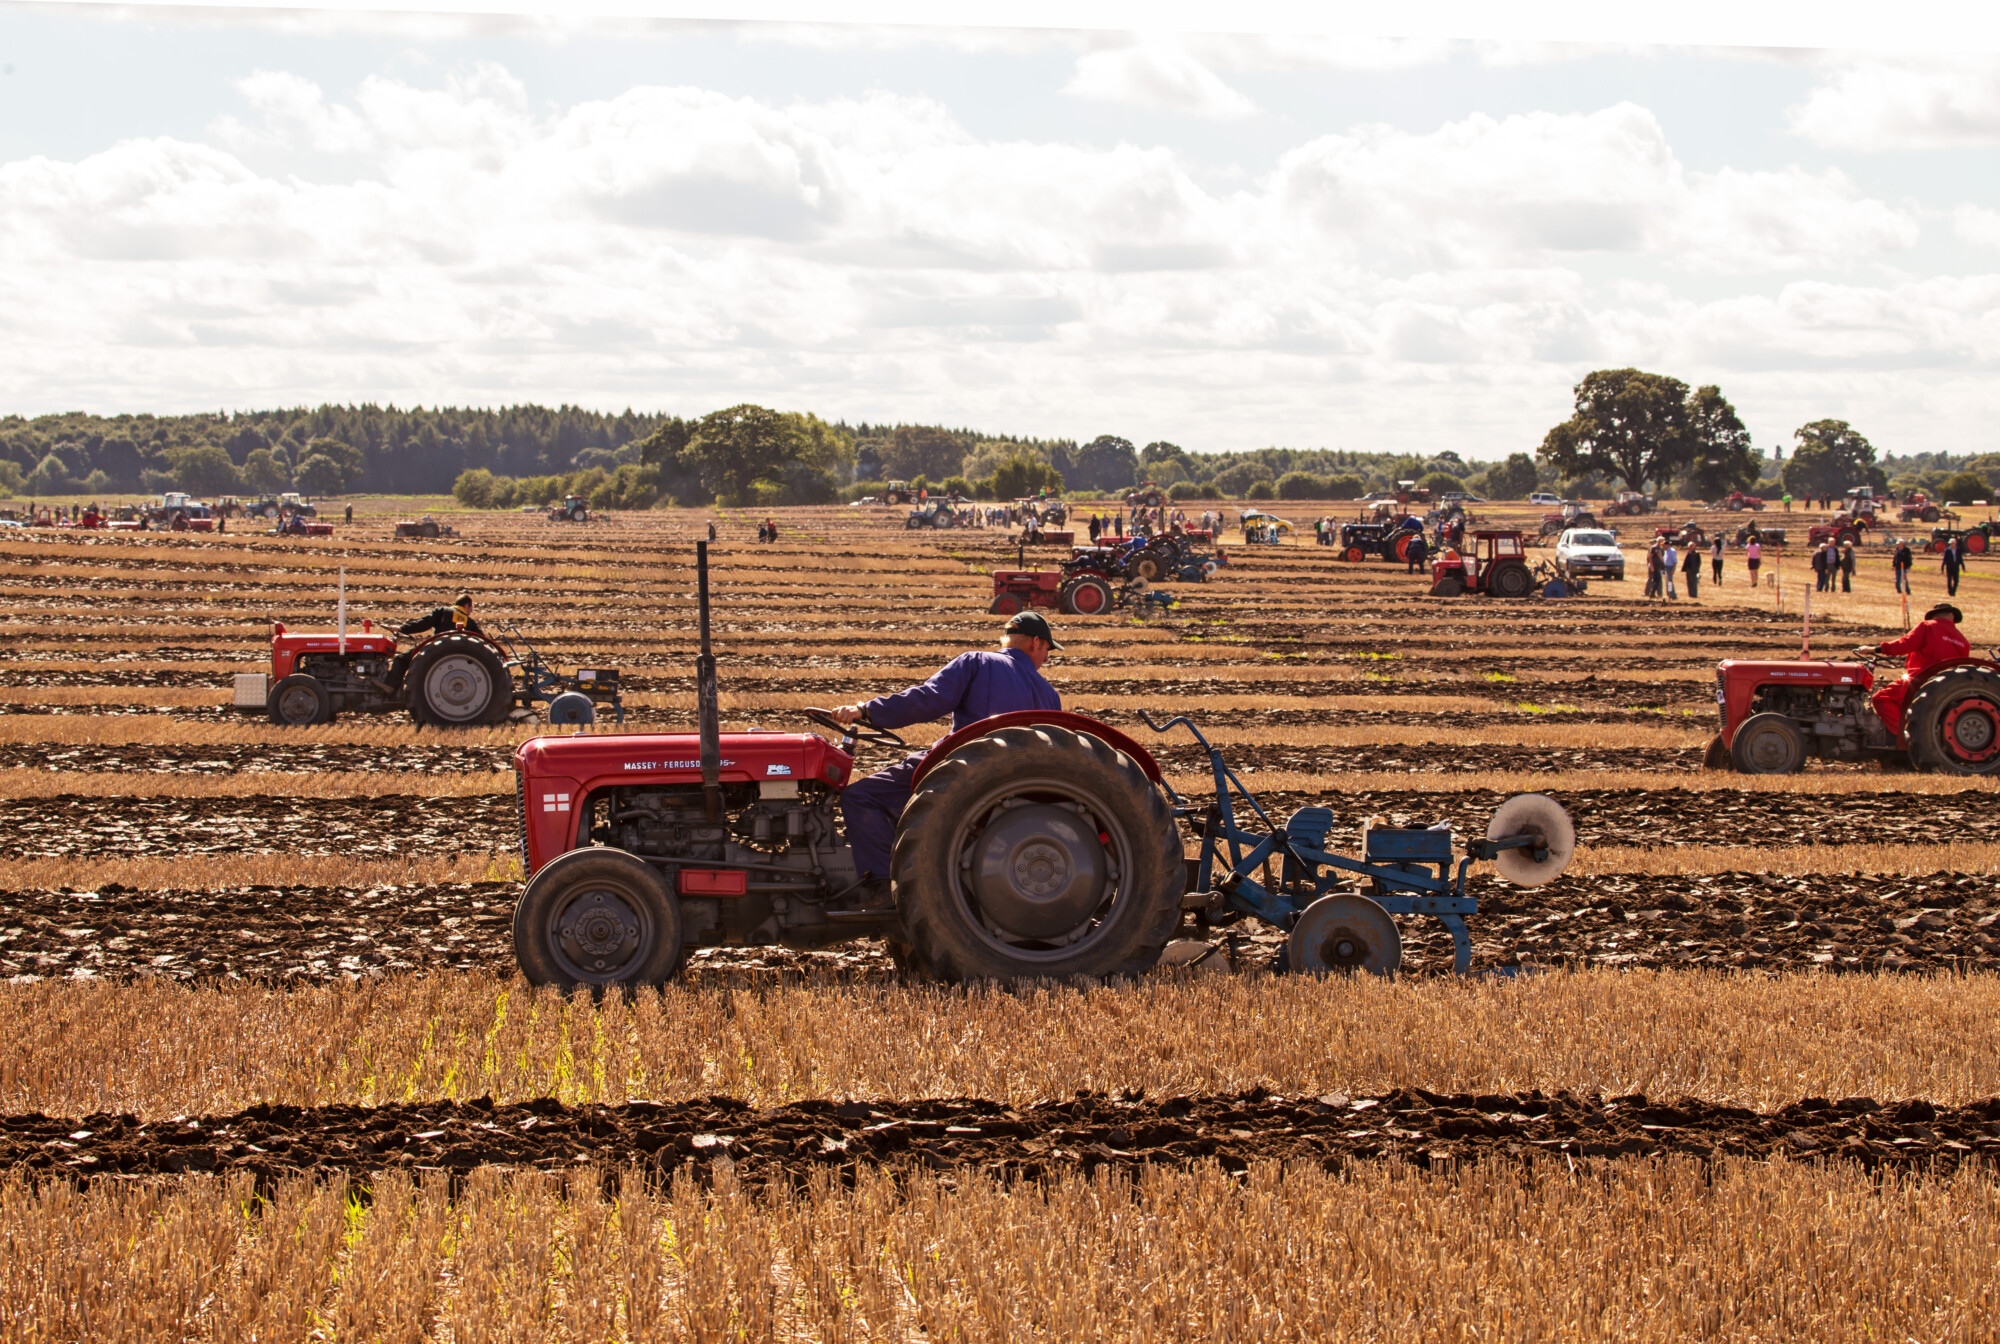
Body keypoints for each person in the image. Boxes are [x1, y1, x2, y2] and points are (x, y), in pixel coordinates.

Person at [832, 612, 1065, 909]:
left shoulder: (978, 663)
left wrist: (866, 711)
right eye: (1048, 650)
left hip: (966, 767)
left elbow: (927, 699)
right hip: (1017, 786)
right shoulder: (1050, 696)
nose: (1045, 658)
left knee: (861, 797)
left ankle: (883, 885)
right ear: (1035, 643)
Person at [1860, 603, 1972, 736]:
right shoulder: (1963, 641)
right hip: (1948, 685)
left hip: (1922, 679)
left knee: (1882, 698)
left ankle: (1905, 737)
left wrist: (1875, 649)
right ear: (1952, 615)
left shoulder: (1927, 626)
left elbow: (1904, 645)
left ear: (1933, 616)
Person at [388, 595, 480, 689]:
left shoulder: (443, 612)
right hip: (458, 656)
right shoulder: (470, 623)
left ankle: (389, 687)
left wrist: (402, 628)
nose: (469, 613)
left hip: (437, 649)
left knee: (401, 659)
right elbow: (481, 639)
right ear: (466, 606)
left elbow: (423, 624)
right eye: (470, 610)